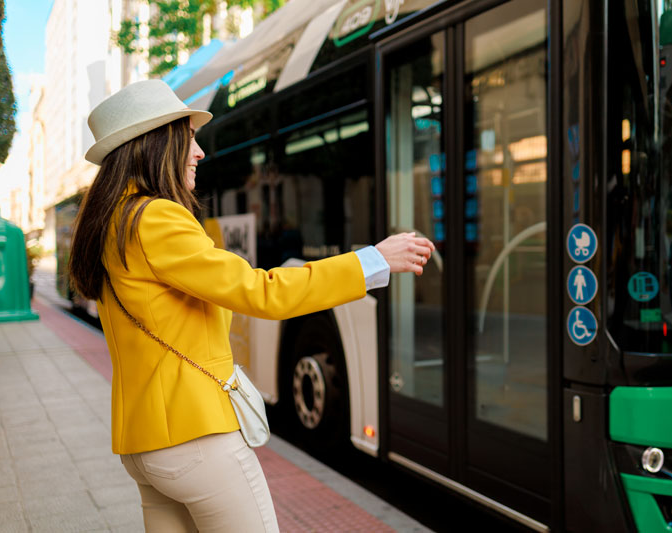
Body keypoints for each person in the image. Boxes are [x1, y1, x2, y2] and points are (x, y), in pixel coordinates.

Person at [68, 79, 434, 532]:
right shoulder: (156, 217)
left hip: (142, 444)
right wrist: (373, 261)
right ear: (155, 146)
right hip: (196, 438)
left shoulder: (110, 224)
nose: (200, 152)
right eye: (189, 139)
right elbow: (262, 292)